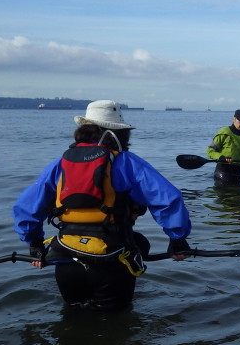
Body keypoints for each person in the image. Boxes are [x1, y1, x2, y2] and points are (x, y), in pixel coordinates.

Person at [13, 100, 192, 311]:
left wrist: (35, 245)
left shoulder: (60, 165)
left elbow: (26, 208)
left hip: (66, 259)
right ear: (117, 133)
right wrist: (177, 240)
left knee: (73, 320)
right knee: (115, 326)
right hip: (113, 261)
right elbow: (168, 199)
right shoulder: (126, 162)